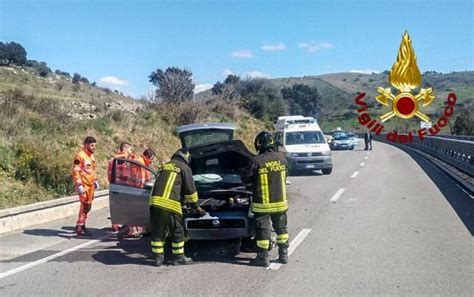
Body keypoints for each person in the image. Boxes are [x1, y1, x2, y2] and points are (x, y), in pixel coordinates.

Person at [149, 149, 206, 267]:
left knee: (158, 231)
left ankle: (158, 258)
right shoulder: (184, 168)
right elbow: (190, 191)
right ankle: (179, 257)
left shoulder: (164, 166)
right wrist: (197, 207)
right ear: (186, 158)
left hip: (155, 204)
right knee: (177, 231)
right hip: (171, 205)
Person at [243, 131, 289, 267]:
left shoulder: (256, 161)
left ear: (259, 146)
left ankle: (263, 258)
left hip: (262, 205)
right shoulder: (282, 160)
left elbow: (246, 179)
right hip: (280, 204)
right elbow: (285, 177)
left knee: (263, 232)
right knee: (281, 230)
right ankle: (283, 255)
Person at [126, 148, 156, 238]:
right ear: (146, 156)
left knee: (137, 210)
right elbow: (142, 181)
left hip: (135, 189)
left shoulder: (142, 162)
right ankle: (134, 231)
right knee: (135, 211)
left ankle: (141, 230)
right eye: (151, 159)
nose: (151, 161)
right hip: (135, 190)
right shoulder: (141, 163)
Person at [71, 136, 98, 237]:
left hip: (90, 185)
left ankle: (81, 224)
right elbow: (75, 171)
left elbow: (93, 170)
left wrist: (95, 180)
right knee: (84, 206)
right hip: (84, 185)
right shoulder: (80, 156)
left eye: (94, 145)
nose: (94, 147)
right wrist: (79, 185)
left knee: (88, 206)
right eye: (92, 145)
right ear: (86, 145)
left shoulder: (91, 156)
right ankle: (80, 227)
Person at [107, 142, 135, 232]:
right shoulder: (122, 158)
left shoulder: (117, 158)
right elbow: (124, 172)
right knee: (123, 206)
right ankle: (117, 225)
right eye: (130, 149)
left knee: (118, 205)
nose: (131, 151)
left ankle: (117, 224)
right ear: (126, 149)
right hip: (122, 185)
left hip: (117, 185)